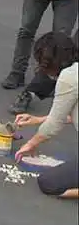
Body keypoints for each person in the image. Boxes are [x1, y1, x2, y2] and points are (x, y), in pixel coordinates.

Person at [13, 32, 77, 200]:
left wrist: (31, 144)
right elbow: (72, 115)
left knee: (49, 183)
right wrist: (38, 119)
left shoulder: (69, 77)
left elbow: (54, 124)